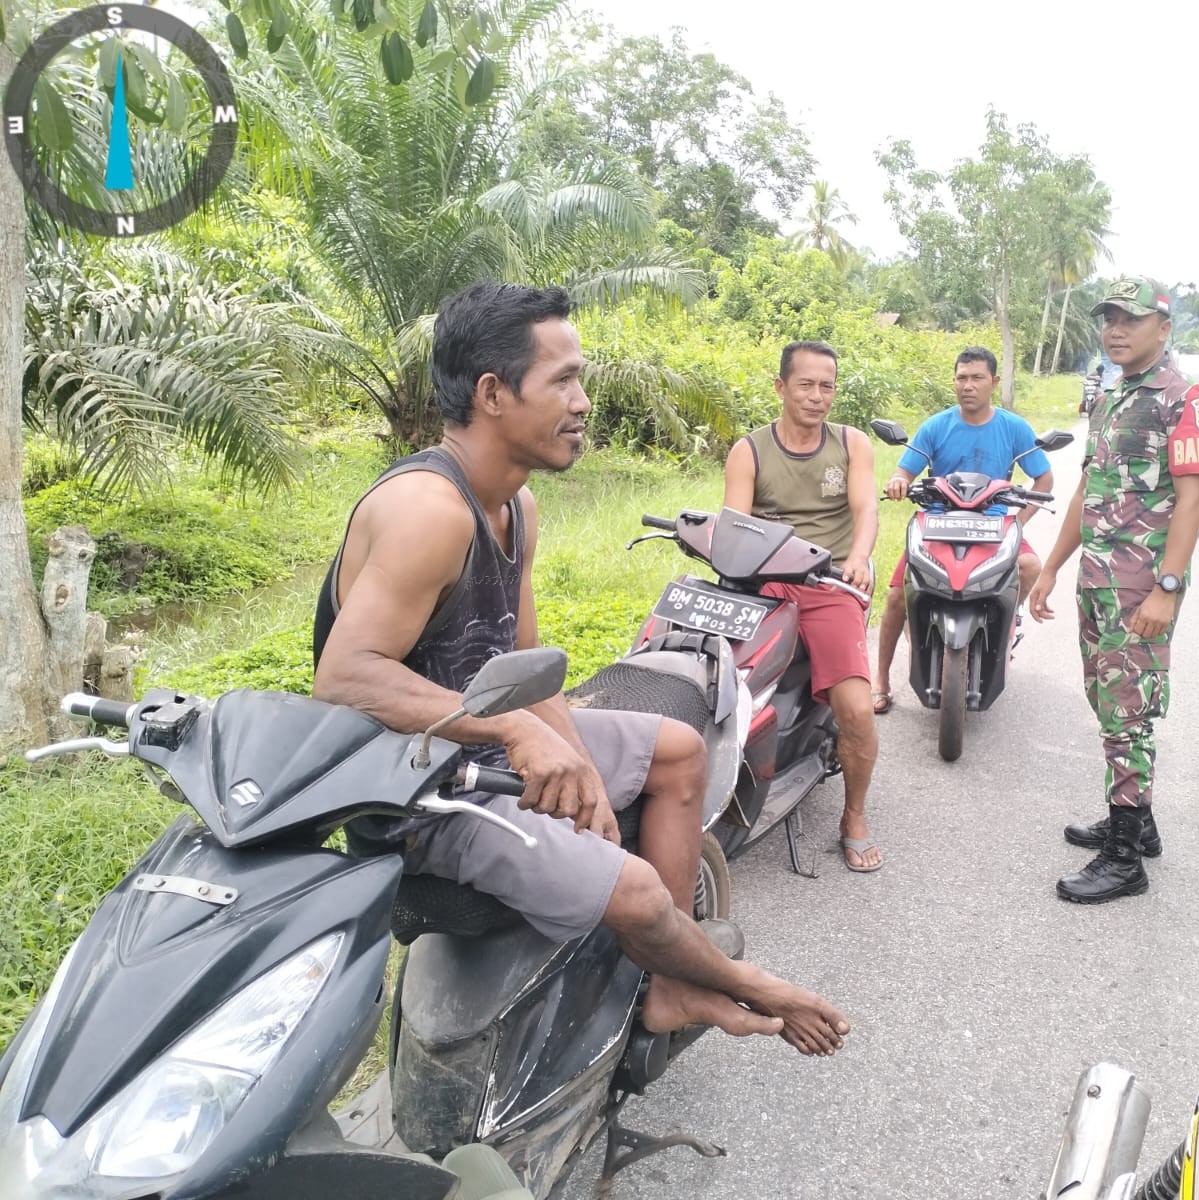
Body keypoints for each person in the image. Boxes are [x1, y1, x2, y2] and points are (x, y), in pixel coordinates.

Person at [311, 282, 849, 1056]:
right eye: (563, 380)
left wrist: (574, 757)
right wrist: (514, 731)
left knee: (679, 751)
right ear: (493, 394)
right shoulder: (429, 510)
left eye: (581, 379)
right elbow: (347, 676)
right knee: (630, 889)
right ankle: (742, 981)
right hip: (418, 794)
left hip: (480, 749)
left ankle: (667, 981)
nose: (584, 401)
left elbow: (524, 668)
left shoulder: (516, 506)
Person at [1029, 277, 1199, 904]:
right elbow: (1089, 488)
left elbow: (1192, 499)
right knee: (1109, 701)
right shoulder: (1112, 398)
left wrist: (1167, 587)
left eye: (1130, 319)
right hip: (1098, 583)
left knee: (1128, 713)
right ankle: (1138, 822)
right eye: (1109, 318)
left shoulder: (1186, 400)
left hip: (1141, 589)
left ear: (1163, 328)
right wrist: (1055, 563)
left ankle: (1124, 858)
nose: (1116, 329)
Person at [721, 341, 884, 873]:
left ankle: (854, 817)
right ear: (782, 387)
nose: (818, 397)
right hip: (765, 584)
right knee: (714, 680)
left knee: (857, 710)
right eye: (807, 385)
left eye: (828, 386)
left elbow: (865, 510)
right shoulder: (748, 450)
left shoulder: (851, 444)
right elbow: (734, 528)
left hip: (830, 585)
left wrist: (858, 558)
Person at [871, 346, 1055, 715]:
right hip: (937, 520)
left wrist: (1018, 521)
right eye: (961, 378)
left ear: (994, 382)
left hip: (994, 523)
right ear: (954, 381)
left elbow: (1044, 478)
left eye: (977, 378)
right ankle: (881, 681)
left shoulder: (1014, 427)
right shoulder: (936, 425)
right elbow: (905, 470)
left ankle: (1008, 622)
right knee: (895, 598)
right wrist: (897, 481)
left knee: (1031, 566)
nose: (968, 385)